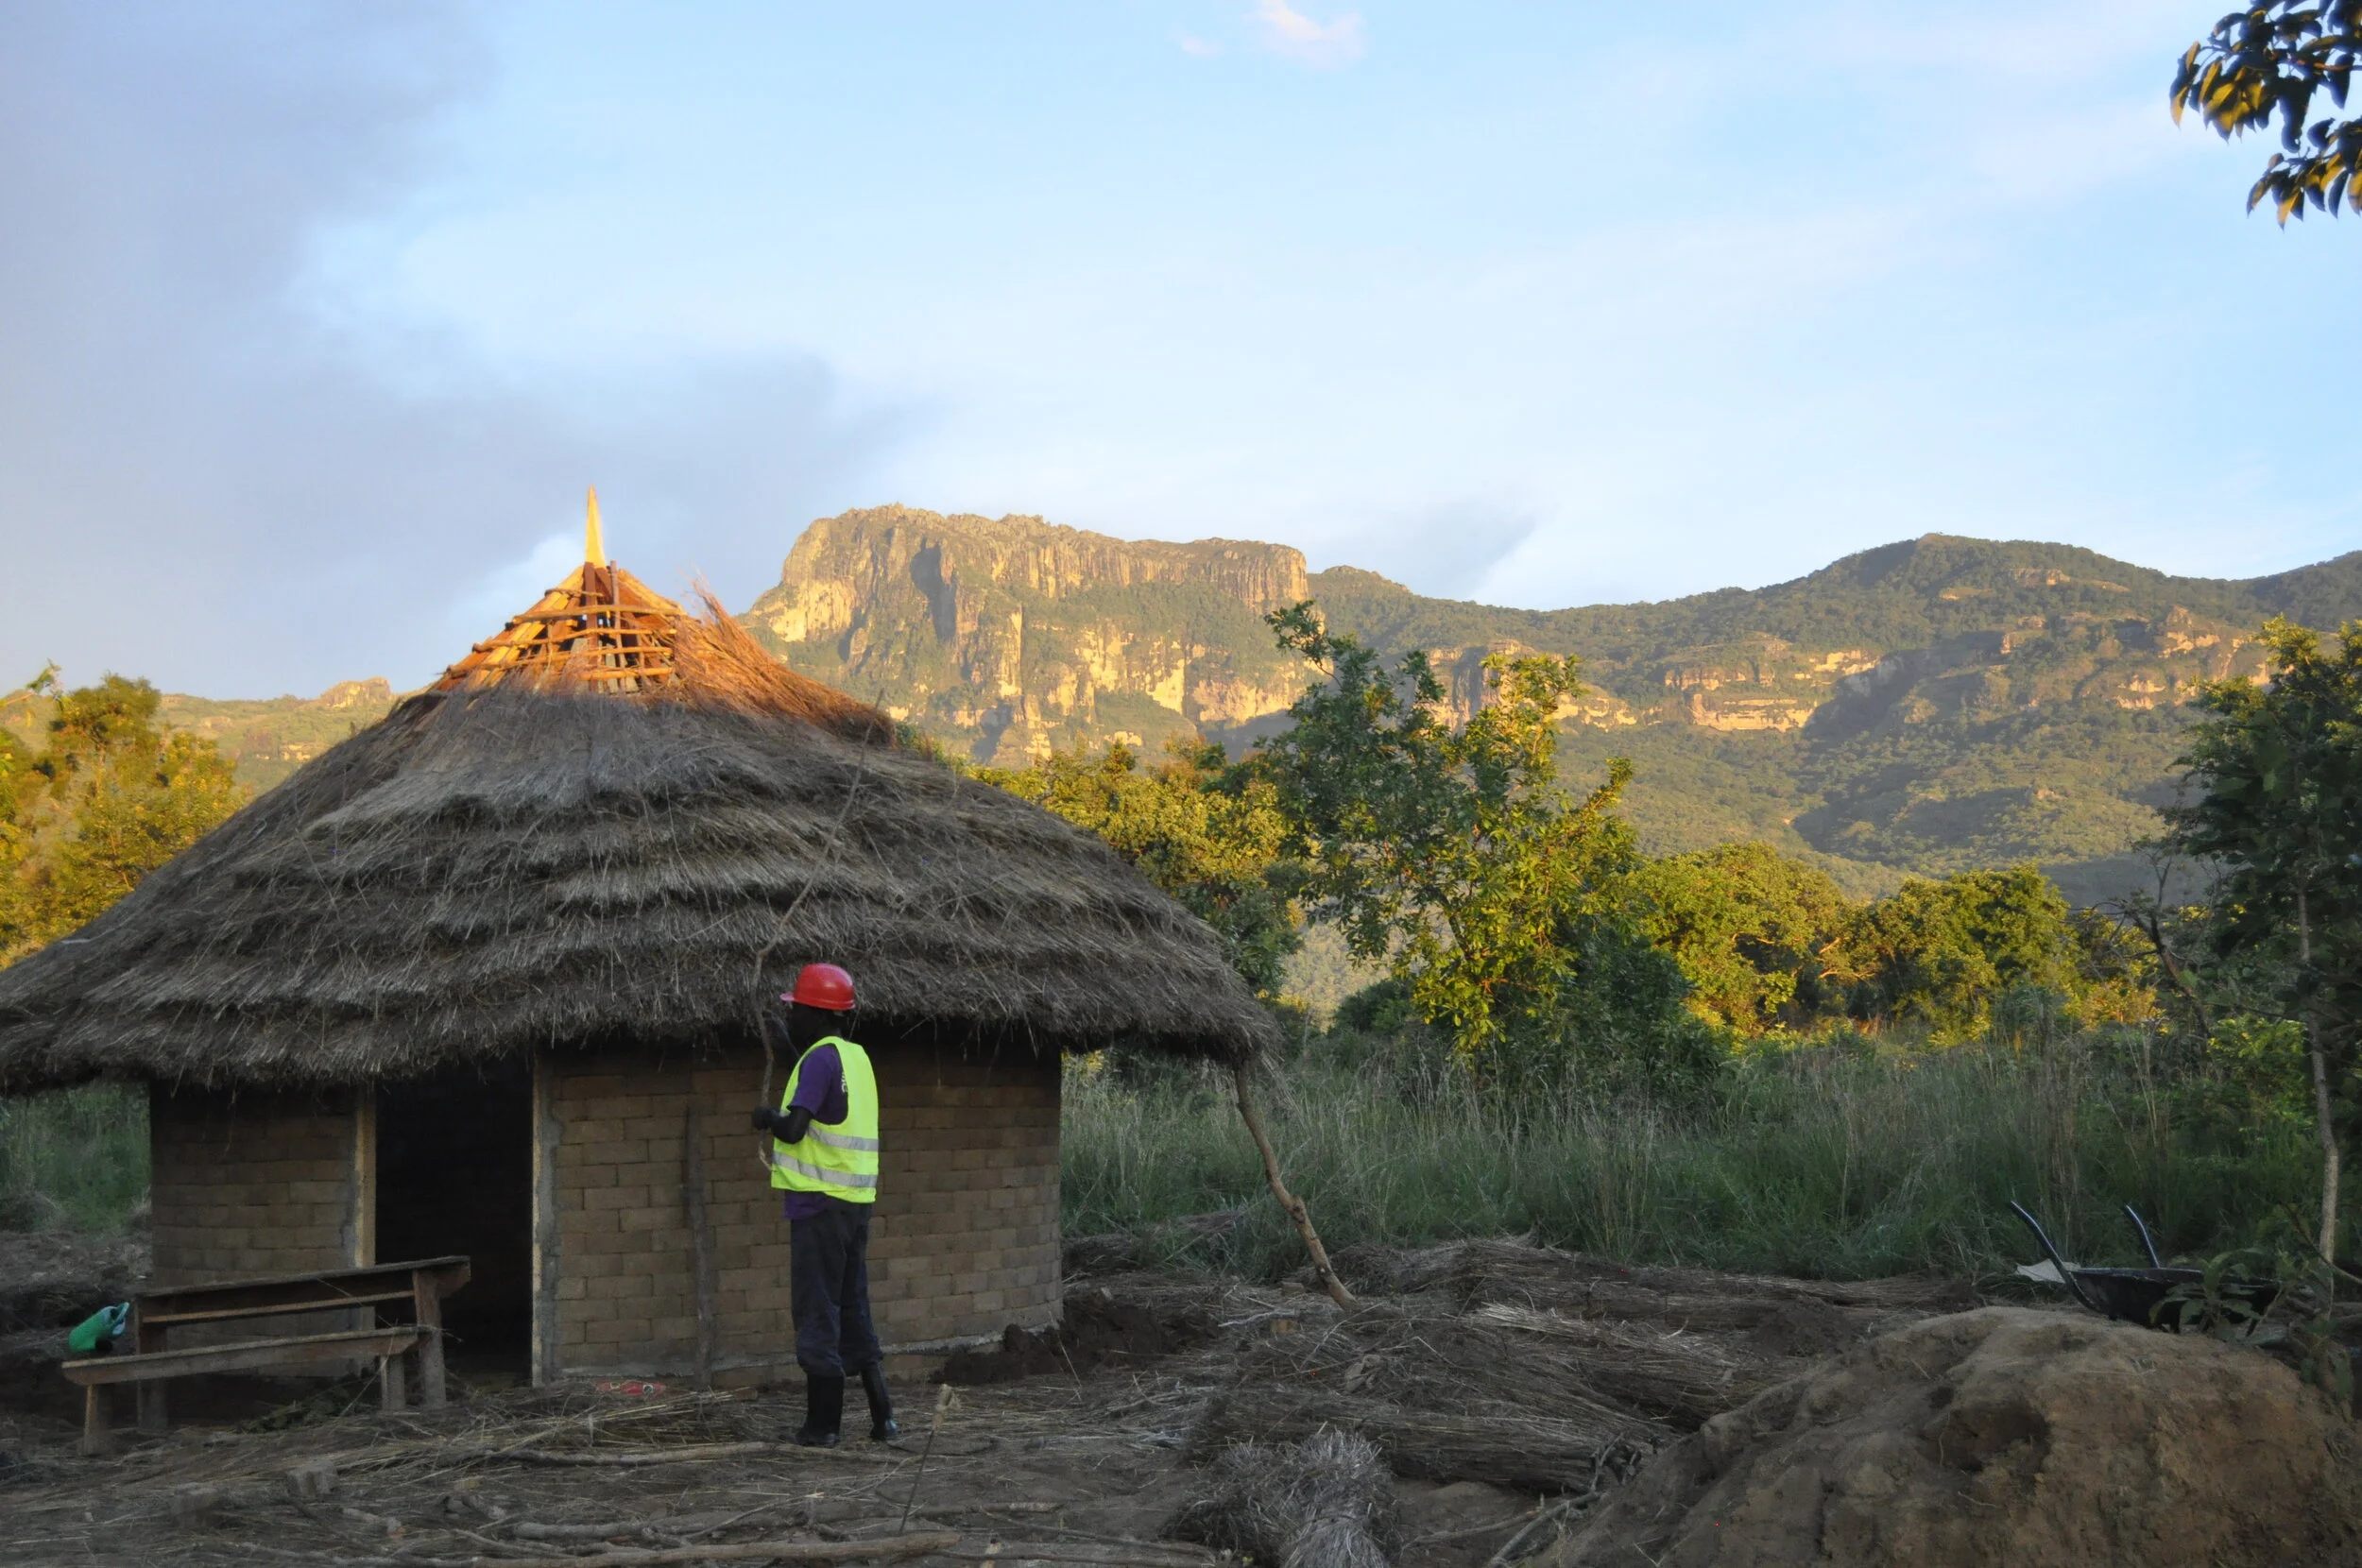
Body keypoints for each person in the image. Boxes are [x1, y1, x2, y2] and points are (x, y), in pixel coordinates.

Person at [750, 962, 898, 1447]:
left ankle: (823, 1425)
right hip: (856, 1203)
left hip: (818, 1205)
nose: (791, 1018)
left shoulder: (817, 1061)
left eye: (796, 1010)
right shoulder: (855, 1058)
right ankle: (883, 1416)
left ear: (815, 1013)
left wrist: (767, 1117)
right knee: (853, 1304)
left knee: (817, 1308)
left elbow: (795, 1129)